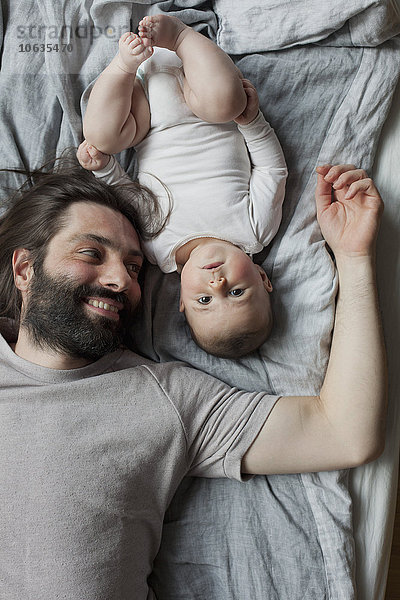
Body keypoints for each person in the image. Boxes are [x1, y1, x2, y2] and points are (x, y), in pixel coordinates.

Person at [0, 162, 387, 600]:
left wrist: (354, 259)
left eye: (133, 267)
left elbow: (343, 432)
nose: (120, 281)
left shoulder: (164, 397)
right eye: (92, 253)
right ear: (25, 269)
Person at [78, 14, 288, 358]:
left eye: (204, 300)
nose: (217, 283)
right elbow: (272, 170)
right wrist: (252, 122)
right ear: (262, 277)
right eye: (237, 292)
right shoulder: (255, 232)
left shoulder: (159, 250)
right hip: (204, 101)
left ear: (181, 301)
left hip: (146, 118)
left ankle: (123, 64)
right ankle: (181, 36)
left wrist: (104, 171)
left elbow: (132, 197)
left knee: (101, 136)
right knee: (228, 100)